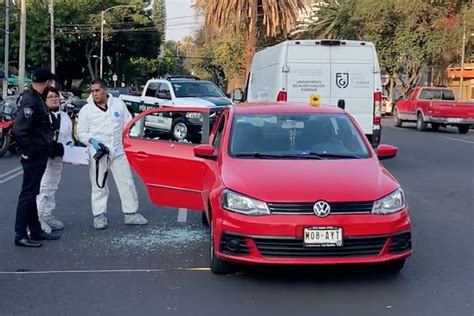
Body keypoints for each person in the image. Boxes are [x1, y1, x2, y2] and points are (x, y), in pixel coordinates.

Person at [77, 79, 147, 229]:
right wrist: (92, 141)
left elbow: (128, 124)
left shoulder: (118, 104)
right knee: (99, 185)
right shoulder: (87, 110)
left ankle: (131, 214)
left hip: (118, 150)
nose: (94, 94)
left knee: (126, 182)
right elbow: (80, 133)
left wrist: (133, 140)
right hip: (99, 152)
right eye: (92, 91)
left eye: (97, 90)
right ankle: (99, 215)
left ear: (105, 90)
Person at [12, 68, 62, 247]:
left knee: (32, 193)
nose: (52, 86)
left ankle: (36, 231)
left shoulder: (37, 99)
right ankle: (20, 235)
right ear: (46, 82)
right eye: (51, 82)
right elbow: (18, 130)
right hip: (34, 154)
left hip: (40, 152)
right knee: (27, 195)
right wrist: (28, 150)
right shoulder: (31, 101)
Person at [36, 87, 74, 233]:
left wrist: (70, 144)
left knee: (53, 186)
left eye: (55, 96)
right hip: (44, 156)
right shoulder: (42, 116)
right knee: (44, 187)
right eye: (50, 97)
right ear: (44, 100)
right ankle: (37, 219)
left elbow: (68, 135)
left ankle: (47, 215)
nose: (53, 99)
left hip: (58, 156)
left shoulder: (64, 117)